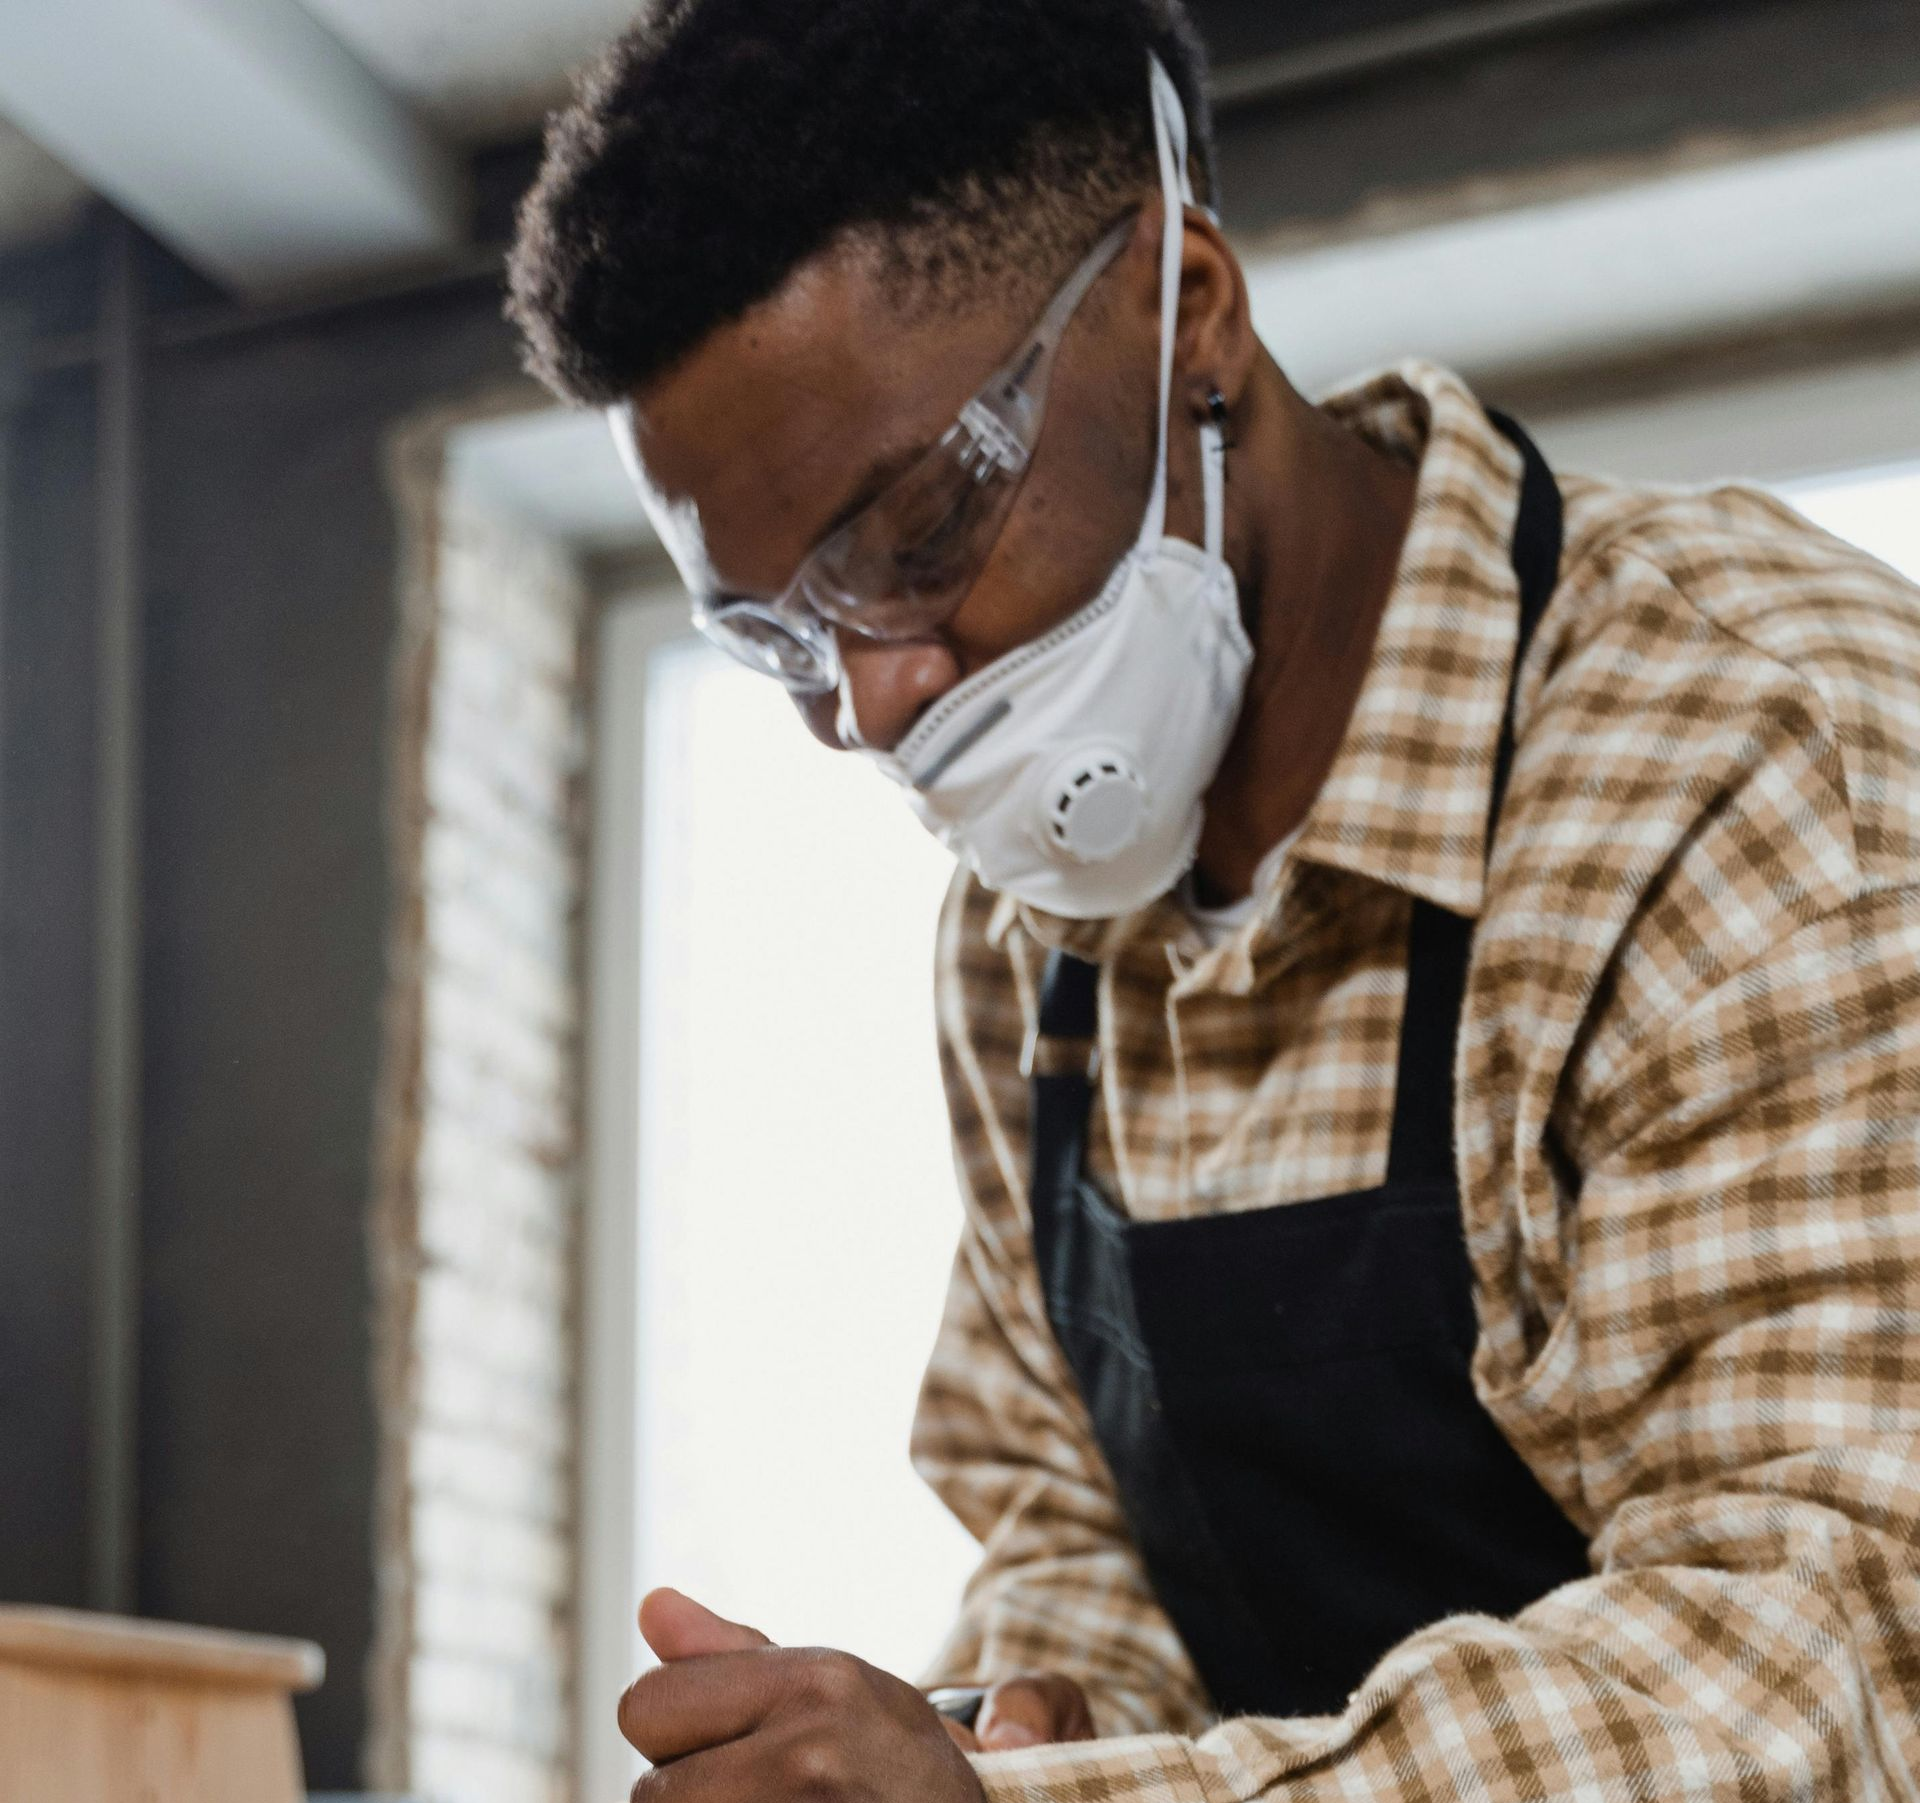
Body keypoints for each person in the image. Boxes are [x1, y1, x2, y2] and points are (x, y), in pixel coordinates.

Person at [506, 2, 1920, 1799]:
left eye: (917, 533)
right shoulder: (1030, 942)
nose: (873, 708)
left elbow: (1826, 1663)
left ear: (1190, 310)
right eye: (782, 636)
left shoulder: (1752, 755)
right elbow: (1081, 1541)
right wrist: (1034, 1713)